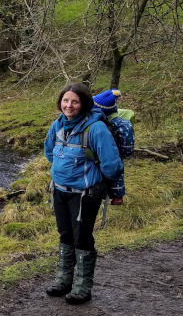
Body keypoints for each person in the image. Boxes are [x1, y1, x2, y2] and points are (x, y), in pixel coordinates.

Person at [44, 83, 123, 304]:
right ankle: (63, 280)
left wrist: (87, 176)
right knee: (65, 235)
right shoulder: (58, 125)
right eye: (65, 101)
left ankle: (82, 286)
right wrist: (64, 170)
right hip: (60, 190)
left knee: (82, 237)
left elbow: (111, 164)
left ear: (84, 104)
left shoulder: (96, 129)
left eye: (74, 101)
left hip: (85, 193)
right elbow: (49, 151)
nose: (69, 105)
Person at [92, 88, 135, 206]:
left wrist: (122, 153)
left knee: (116, 171)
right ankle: (107, 192)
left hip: (115, 151)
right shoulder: (121, 123)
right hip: (100, 151)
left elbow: (127, 142)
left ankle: (117, 196)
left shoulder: (120, 124)